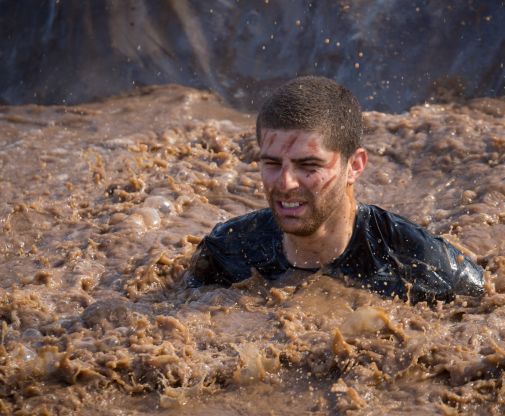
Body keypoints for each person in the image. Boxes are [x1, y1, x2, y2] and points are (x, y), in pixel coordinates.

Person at [188, 76, 484, 304]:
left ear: (354, 166)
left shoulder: (422, 263)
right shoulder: (227, 252)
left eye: (309, 166)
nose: (286, 183)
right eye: (272, 163)